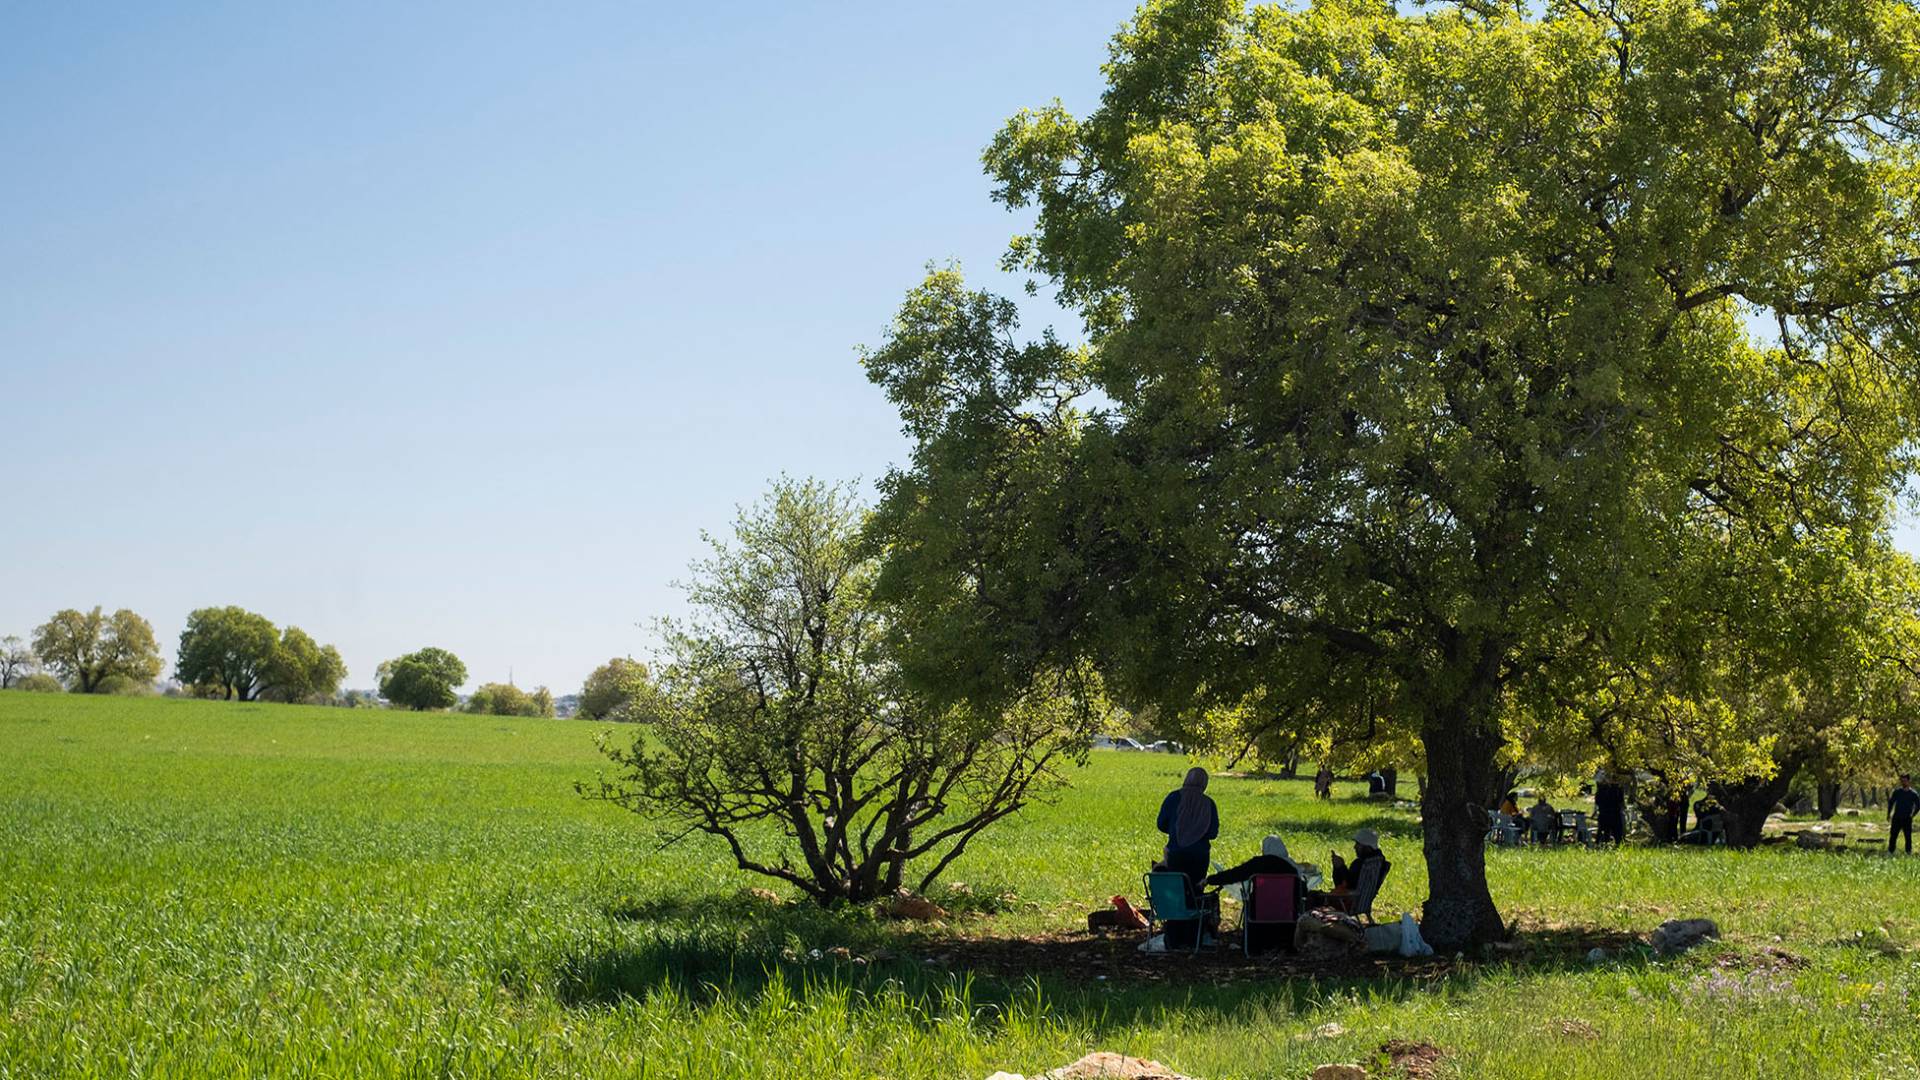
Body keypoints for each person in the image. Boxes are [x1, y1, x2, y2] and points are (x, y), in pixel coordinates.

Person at [1156, 766, 1219, 888]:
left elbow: (1161, 824)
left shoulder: (1173, 797)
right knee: (1195, 892)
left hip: (1175, 853)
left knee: (1177, 889)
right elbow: (1213, 833)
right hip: (1200, 856)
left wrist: (1175, 831)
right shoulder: (1209, 803)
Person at [1329, 828, 1386, 892]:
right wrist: (1337, 867)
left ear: (1367, 846)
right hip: (1357, 899)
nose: (1355, 847)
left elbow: (1349, 885)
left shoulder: (1363, 864)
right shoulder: (1378, 862)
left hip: (1346, 900)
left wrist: (1341, 867)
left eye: (1358, 844)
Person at [1890, 774, 1919, 854]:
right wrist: (1888, 814)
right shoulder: (1897, 792)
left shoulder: (1913, 794)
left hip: (1907, 818)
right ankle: (1891, 851)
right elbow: (1891, 802)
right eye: (1902, 781)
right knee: (1893, 835)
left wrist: (1913, 815)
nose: (1903, 782)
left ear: (1909, 781)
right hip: (1897, 817)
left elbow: (1918, 805)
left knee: (1908, 836)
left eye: (1905, 781)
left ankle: (1908, 852)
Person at [1595, 775, 1627, 845]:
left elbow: (1597, 802)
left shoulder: (1601, 789)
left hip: (1604, 814)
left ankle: (1600, 844)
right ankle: (1617, 844)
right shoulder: (1618, 789)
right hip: (1615, 814)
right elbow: (1621, 802)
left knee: (1603, 831)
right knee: (1617, 833)